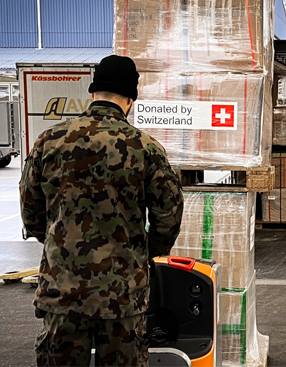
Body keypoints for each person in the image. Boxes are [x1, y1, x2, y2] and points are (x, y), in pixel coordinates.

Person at [19, 55, 184, 367]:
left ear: (92, 93)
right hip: (122, 296)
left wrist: (60, 247)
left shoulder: (48, 141)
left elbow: (30, 211)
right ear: (131, 99)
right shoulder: (145, 147)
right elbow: (168, 215)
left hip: (62, 290)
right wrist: (145, 254)